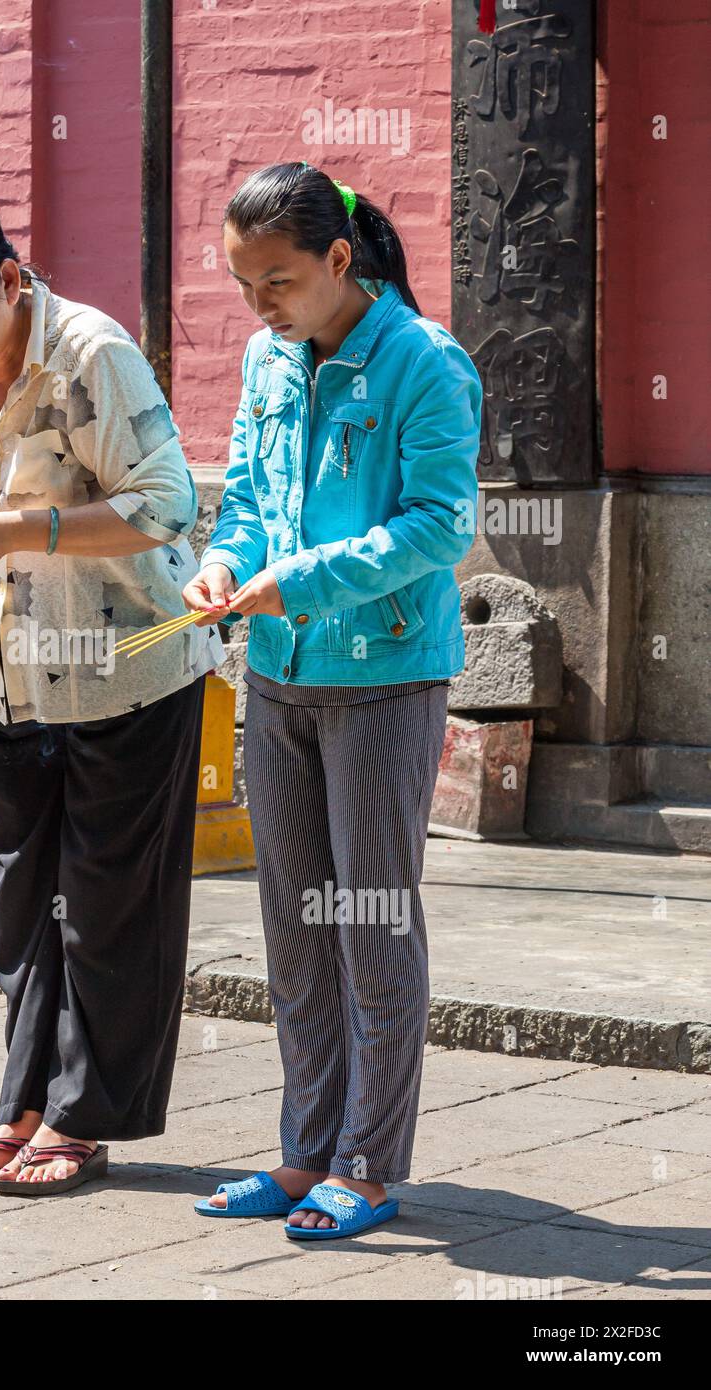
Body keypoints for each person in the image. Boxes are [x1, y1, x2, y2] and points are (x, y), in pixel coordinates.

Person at [0, 191, 224, 1196]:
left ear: (11, 282)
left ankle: (84, 1118)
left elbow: (164, 508)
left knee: (110, 906)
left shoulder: (90, 354)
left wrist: (20, 530)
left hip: (124, 671)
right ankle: (20, 1102)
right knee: (23, 903)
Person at [182, 162, 481, 1239]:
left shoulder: (421, 362)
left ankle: (369, 1157)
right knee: (296, 929)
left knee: (369, 921)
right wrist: (224, 565)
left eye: (277, 282)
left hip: (387, 677)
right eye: (242, 284)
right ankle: (303, 1153)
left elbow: (441, 528)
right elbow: (251, 501)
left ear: (338, 261)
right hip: (277, 673)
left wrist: (301, 579)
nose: (257, 307)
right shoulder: (267, 360)